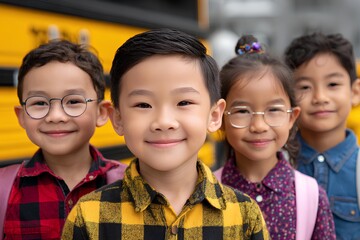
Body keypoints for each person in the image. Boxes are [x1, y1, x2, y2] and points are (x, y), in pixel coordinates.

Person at [61, 28, 269, 240]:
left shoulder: (245, 217)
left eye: (184, 102)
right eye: (143, 104)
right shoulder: (88, 217)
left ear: (214, 115)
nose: (163, 122)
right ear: (118, 118)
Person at [0, 40, 127, 240]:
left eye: (74, 101)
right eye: (40, 103)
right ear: (21, 116)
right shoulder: (3, 191)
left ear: (102, 112)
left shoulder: (130, 184)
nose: (56, 116)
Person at [214, 35, 336, 239]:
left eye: (273, 110)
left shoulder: (311, 196)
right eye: (242, 111)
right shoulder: (203, 193)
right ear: (219, 117)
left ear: (292, 117)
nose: (259, 126)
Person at [284, 32, 360, 239]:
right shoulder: (274, 163)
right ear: (289, 97)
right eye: (305, 87)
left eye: (333, 84)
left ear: (355, 92)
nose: (320, 97)